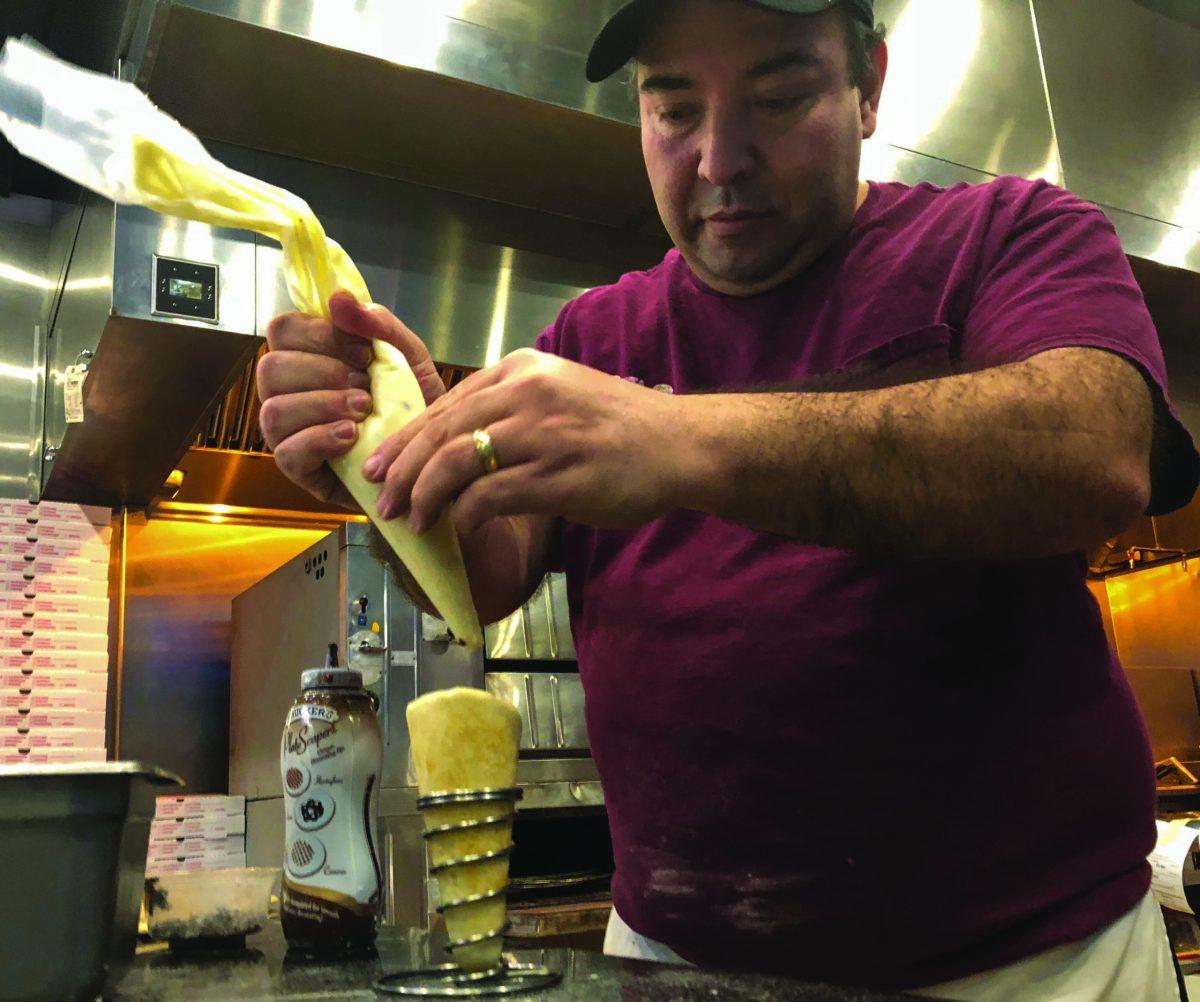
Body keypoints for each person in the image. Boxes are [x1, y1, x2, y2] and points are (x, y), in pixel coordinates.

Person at [255, 0, 1199, 997]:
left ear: (869, 85)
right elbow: (487, 573)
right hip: (672, 963)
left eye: (780, 96)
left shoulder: (1005, 237)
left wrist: (672, 438)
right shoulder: (593, 336)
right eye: (673, 110)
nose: (717, 160)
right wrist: (386, 464)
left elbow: (1093, 453)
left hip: (1034, 967)